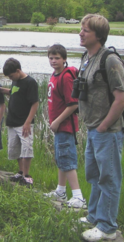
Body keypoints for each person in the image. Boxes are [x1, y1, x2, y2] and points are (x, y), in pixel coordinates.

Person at [78, 14, 124, 241]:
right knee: (94, 175)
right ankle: (94, 217)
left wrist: (103, 126)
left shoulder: (110, 60)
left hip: (107, 131)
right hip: (92, 128)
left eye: (85, 30)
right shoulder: (87, 57)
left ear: (98, 35)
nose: (80, 33)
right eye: (81, 29)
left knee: (108, 178)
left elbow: (121, 99)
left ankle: (107, 227)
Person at [43, 44, 86, 208]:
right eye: (51, 58)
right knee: (60, 158)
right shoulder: (54, 75)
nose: (53, 61)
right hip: (58, 126)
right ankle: (60, 191)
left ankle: (78, 196)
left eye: (57, 58)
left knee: (67, 159)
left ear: (64, 59)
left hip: (65, 125)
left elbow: (73, 104)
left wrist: (57, 121)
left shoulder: (66, 77)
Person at [0, 58, 38, 186]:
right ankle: (20, 171)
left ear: (18, 70)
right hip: (12, 120)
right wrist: (1, 90)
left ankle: (27, 175)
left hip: (24, 122)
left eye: (11, 76)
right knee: (15, 148)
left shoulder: (30, 82)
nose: (11, 79)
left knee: (26, 147)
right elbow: (14, 93)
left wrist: (28, 122)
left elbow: (35, 103)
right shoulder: (15, 82)